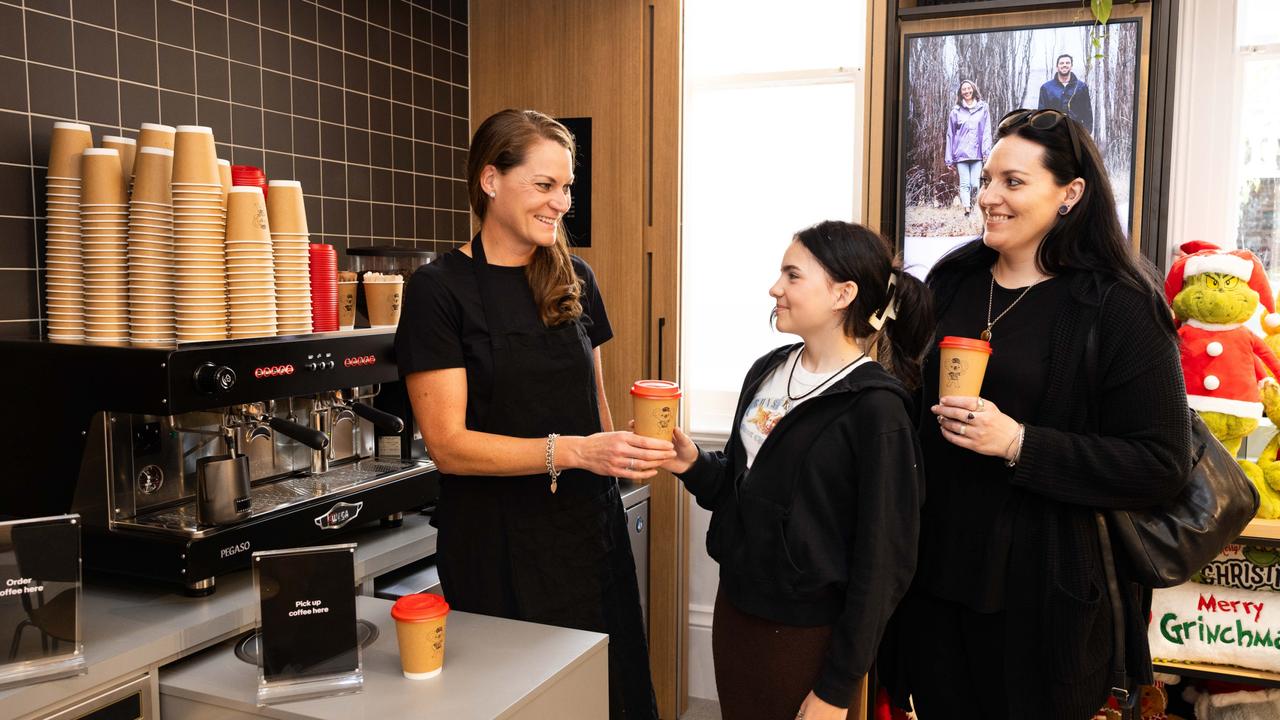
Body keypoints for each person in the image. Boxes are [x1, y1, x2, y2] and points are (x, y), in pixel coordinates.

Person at [885, 108, 1191, 719]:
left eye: (1013, 182)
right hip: (935, 586)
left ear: (1071, 193)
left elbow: (1161, 464)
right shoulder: (954, 279)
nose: (988, 197)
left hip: (1044, 602)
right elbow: (908, 403)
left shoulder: (1120, 305)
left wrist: (1019, 442)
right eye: (988, 179)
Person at [395, 109, 672, 719]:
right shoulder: (439, 290)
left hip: (587, 536)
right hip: (496, 547)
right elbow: (448, 444)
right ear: (490, 180)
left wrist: (626, 451)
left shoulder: (576, 278)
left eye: (567, 186)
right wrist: (574, 451)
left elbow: (595, 406)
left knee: (613, 695)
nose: (561, 203)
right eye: (545, 185)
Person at [661, 221, 932, 720]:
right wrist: (695, 465)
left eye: (792, 275)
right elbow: (749, 491)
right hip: (737, 610)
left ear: (842, 294)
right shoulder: (768, 369)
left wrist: (837, 686)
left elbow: (885, 561)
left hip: (808, 636)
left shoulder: (877, 409)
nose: (774, 288)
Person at [945, 80, 992, 218]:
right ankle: (967, 210)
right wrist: (949, 159)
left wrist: (986, 152)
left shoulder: (983, 108)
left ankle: (975, 206)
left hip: (977, 153)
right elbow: (950, 134)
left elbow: (986, 130)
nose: (966, 91)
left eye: (968, 88)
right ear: (960, 93)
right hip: (960, 154)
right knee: (965, 183)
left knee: (975, 184)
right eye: (963, 89)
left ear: (973, 89)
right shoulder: (956, 111)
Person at [1038, 54, 1095, 134]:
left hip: (1076, 132)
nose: (1064, 65)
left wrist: (1086, 133)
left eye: (1067, 63)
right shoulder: (1046, 88)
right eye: (1061, 63)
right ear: (1057, 67)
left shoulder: (1081, 87)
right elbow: (1042, 113)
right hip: (1053, 132)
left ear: (1071, 66)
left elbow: (1087, 112)